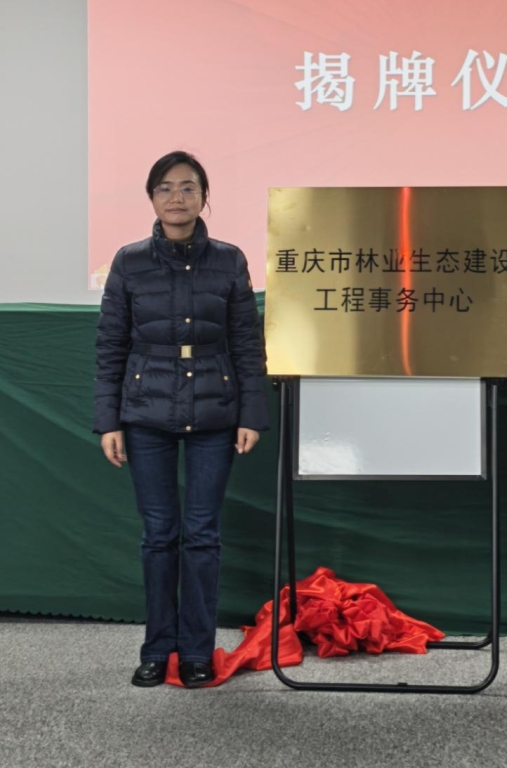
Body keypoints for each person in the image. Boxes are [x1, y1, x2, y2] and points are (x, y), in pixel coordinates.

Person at [94, 151, 269, 689]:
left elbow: (247, 343)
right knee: (158, 535)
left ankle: (195, 650)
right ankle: (156, 648)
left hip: (216, 412)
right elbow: (110, 346)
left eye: (188, 187)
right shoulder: (128, 262)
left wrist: (251, 413)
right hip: (144, 413)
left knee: (202, 535)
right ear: (151, 198)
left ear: (204, 198)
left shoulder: (229, 260)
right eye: (165, 188)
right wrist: (108, 421)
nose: (177, 197)